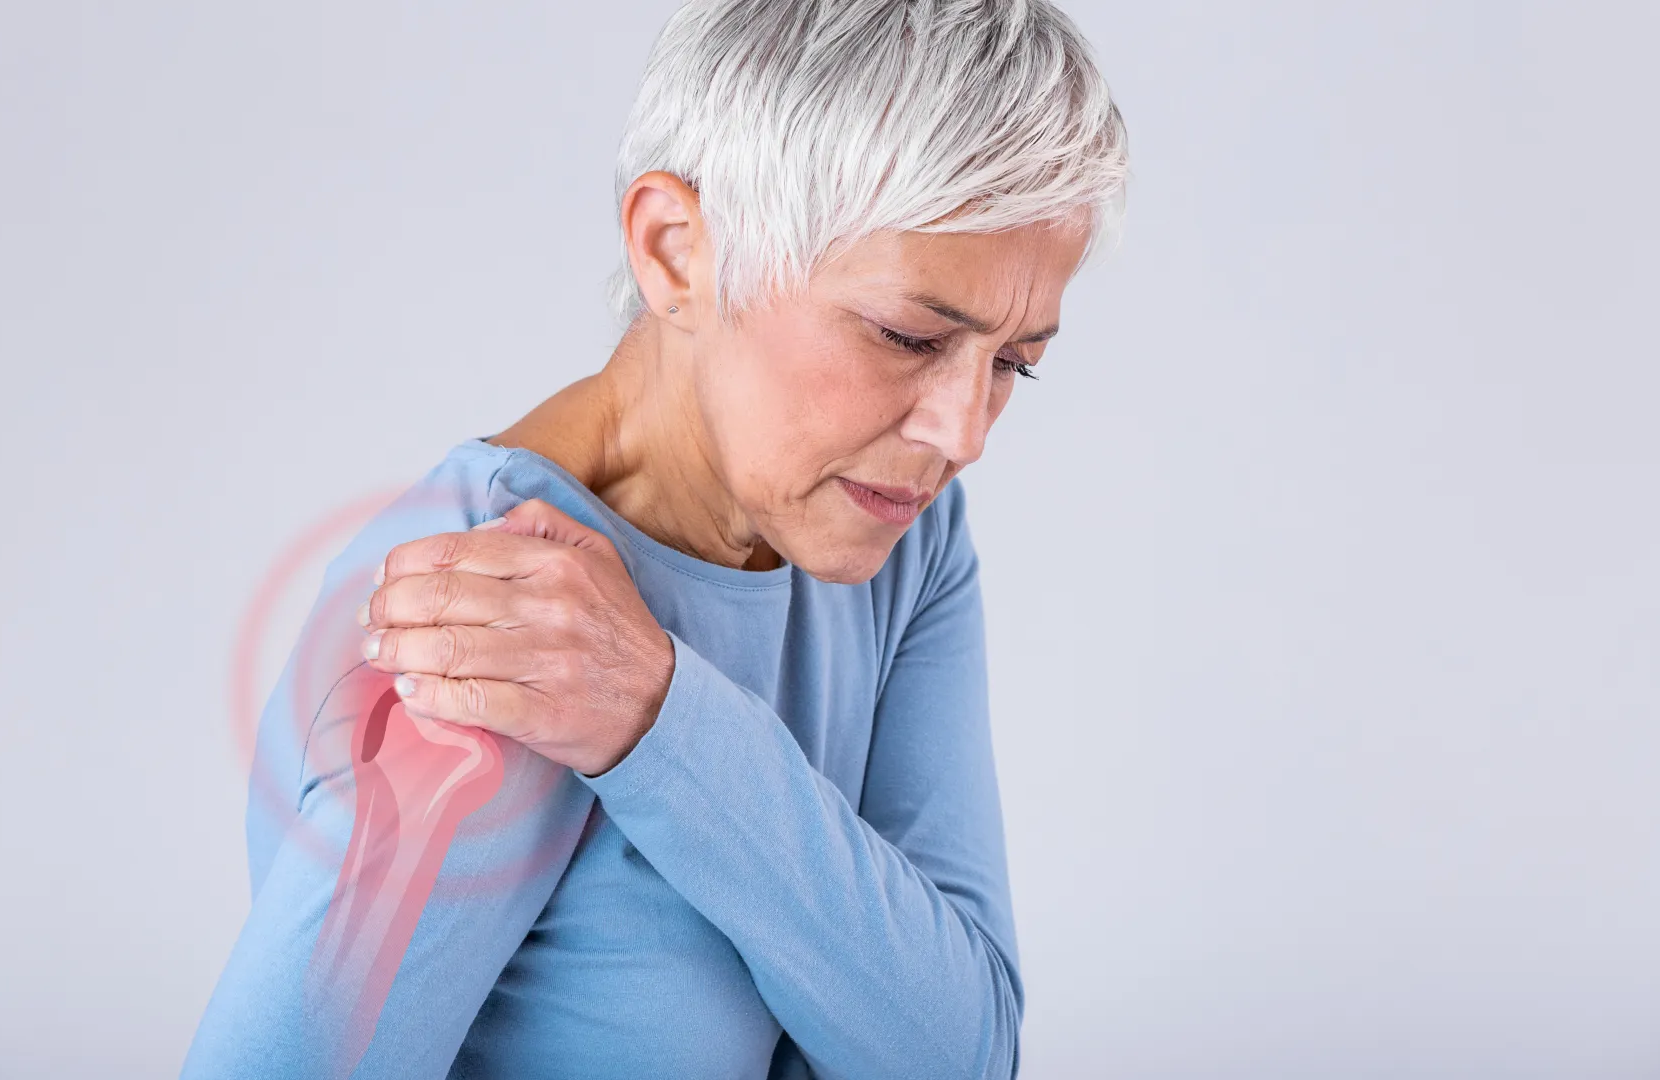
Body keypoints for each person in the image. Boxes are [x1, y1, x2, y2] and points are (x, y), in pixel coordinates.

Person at [182, 1, 1127, 1076]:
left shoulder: (901, 539)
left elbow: (958, 1052)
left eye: (1015, 362)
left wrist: (660, 718)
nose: (965, 433)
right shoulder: (489, 627)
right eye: (910, 337)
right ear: (677, 253)